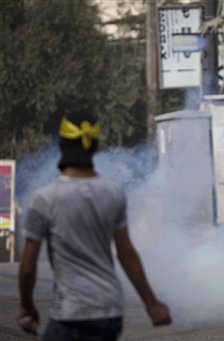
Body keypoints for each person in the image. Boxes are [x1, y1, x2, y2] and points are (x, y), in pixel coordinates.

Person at [17, 110, 172, 340]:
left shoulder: (45, 198)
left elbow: (28, 267)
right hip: (108, 313)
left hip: (69, 314)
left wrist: (27, 307)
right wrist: (151, 303)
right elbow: (126, 253)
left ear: (63, 144)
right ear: (94, 145)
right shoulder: (113, 192)